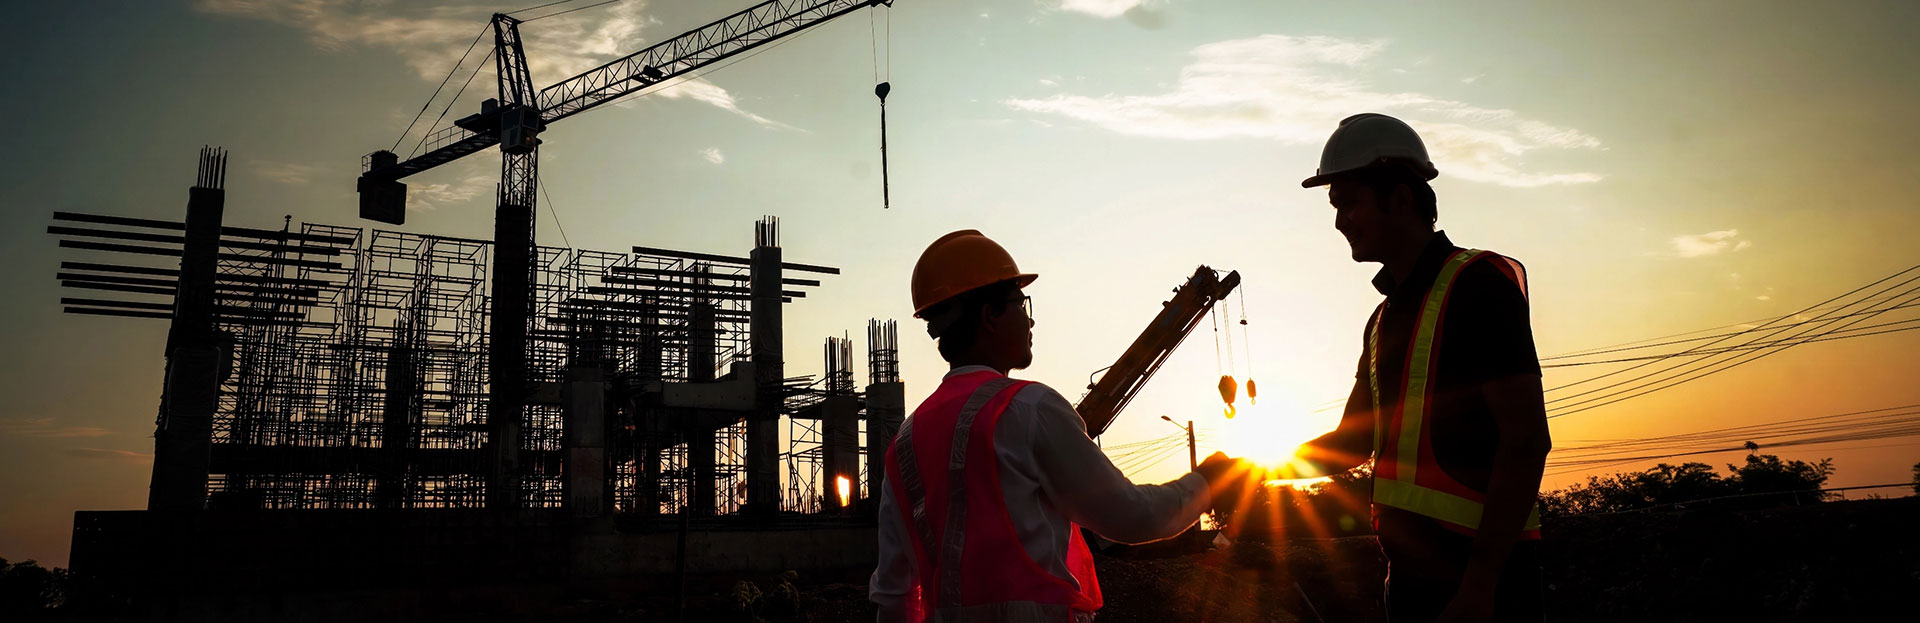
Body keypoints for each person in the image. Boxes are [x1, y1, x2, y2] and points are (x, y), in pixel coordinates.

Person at [869, 230, 1247, 623]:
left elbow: (895, 597)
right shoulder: (1028, 408)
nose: (1030, 320)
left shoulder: (905, 443)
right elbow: (1133, 516)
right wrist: (1208, 481)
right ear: (989, 316)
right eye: (1021, 303)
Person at [1280, 113, 1552, 622]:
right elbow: (1351, 442)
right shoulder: (1383, 319)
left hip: (1483, 584)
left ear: (1402, 200)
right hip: (1410, 584)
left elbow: (1526, 440)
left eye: (1349, 203)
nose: (1340, 221)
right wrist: (1254, 472)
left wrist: (1479, 587)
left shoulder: (1478, 285)